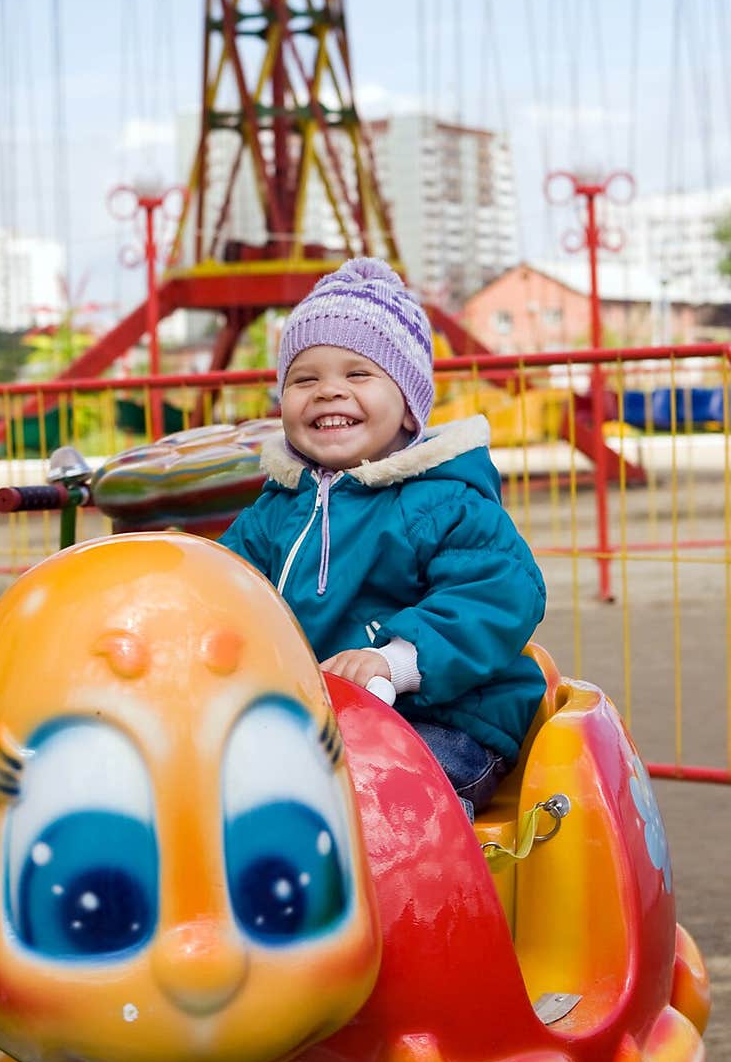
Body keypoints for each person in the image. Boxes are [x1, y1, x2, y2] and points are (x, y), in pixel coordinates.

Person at [219, 256, 547, 820]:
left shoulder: (443, 500)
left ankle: (426, 901)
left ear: (408, 407)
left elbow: (499, 592)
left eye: (357, 374)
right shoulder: (274, 512)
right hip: (320, 719)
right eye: (305, 378)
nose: (327, 392)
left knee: (381, 810)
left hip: (444, 717)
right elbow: (220, 586)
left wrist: (393, 661)